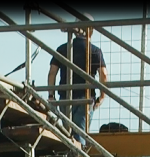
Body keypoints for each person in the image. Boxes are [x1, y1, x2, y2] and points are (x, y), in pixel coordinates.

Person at [47, 13, 109, 146]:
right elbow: (103, 74)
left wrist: (51, 95)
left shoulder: (62, 49)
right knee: (80, 135)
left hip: (65, 98)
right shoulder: (94, 51)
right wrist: (102, 96)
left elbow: (52, 72)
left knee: (67, 133)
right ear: (91, 30)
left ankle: (71, 156)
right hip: (85, 97)